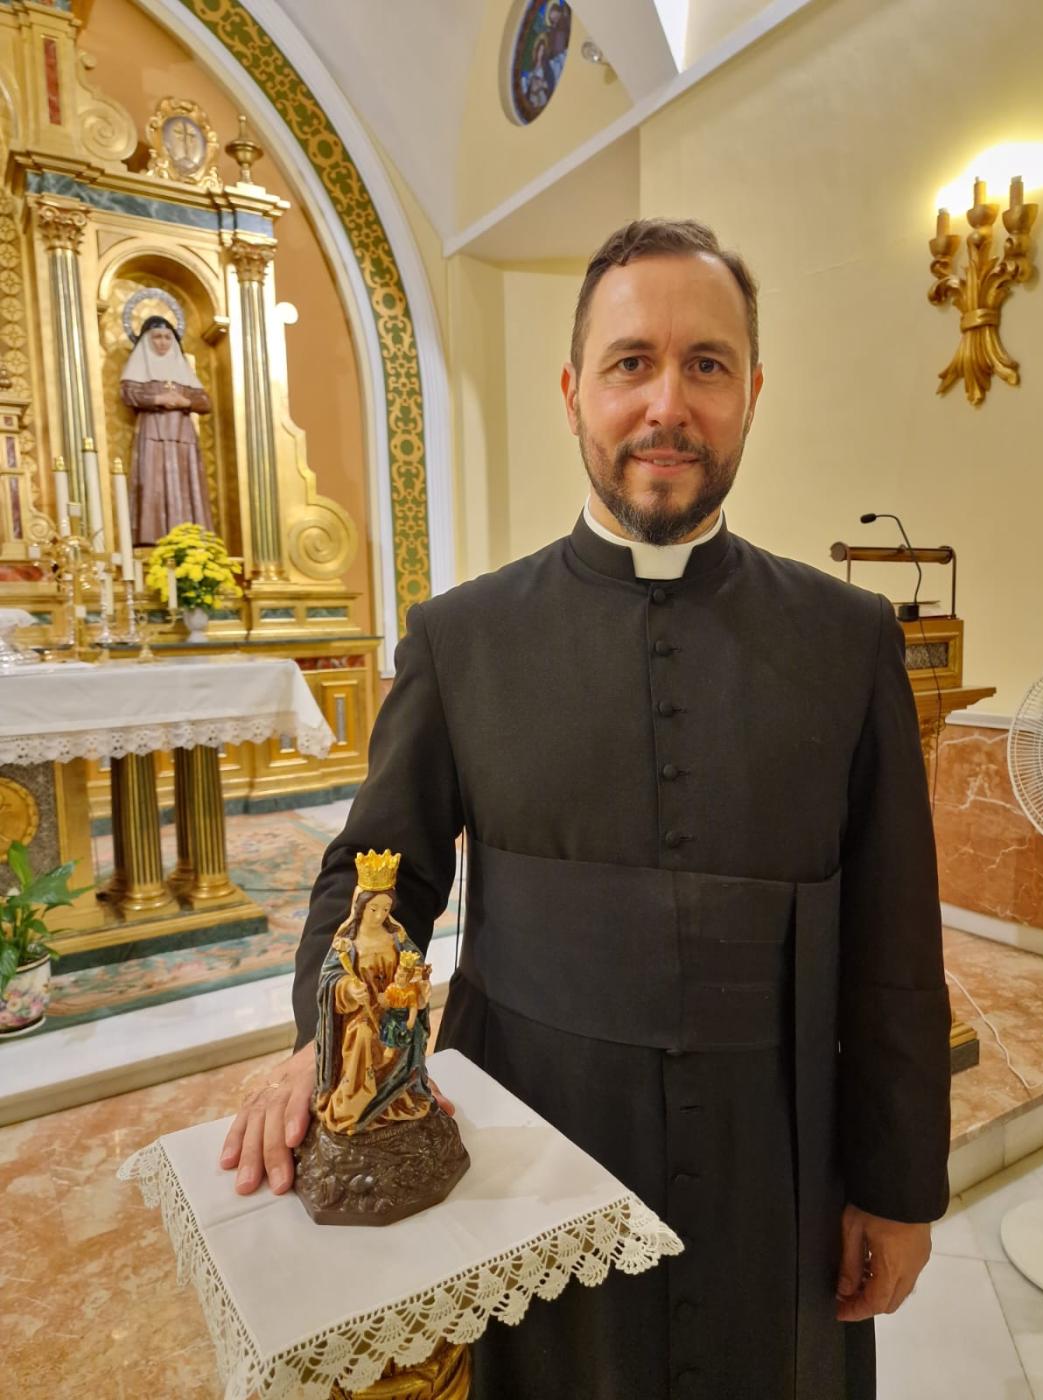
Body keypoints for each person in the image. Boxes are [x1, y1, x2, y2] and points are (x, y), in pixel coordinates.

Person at [221, 219, 951, 1400]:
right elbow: (378, 873)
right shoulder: (461, 639)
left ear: (753, 390)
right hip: (532, 1139)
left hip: (778, 1158)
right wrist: (323, 1035)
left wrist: (902, 1180)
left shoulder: (848, 638)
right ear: (574, 392)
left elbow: (893, 936)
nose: (669, 402)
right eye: (631, 363)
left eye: (707, 364)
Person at [314, 888, 431, 1134]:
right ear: (359, 907)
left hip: (394, 1009)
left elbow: (416, 967)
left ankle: (398, 1098)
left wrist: (419, 985)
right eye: (373, 909)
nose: (379, 916)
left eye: (386, 909)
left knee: (411, 1033)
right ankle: (356, 1102)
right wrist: (348, 989)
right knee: (363, 1036)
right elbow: (330, 979)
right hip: (361, 1014)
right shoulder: (346, 945)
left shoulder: (397, 937)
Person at [120, 314, 213, 544]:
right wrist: (157, 398)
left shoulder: (181, 367)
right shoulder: (139, 366)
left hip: (183, 435)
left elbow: (205, 401)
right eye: (157, 337)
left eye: (167, 337)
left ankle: (190, 536)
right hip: (153, 431)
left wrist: (186, 402)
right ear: (147, 340)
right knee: (154, 479)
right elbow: (128, 393)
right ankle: (153, 537)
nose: (162, 342)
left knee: (184, 479)